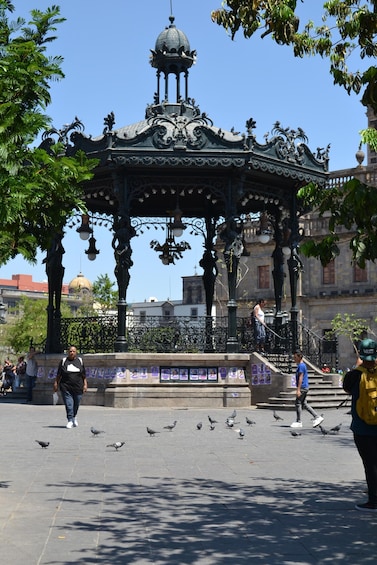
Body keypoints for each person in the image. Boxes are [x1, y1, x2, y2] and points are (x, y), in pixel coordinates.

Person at [343, 338, 377, 512]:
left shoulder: (354, 375)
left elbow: (347, 389)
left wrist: (358, 367)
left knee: (370, 465)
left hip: (362, 427)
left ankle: (373, 501)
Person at [53, 346, 87, 429]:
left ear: (76, 352)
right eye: (70, 351)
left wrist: (85, 384)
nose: (72, 353)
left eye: (73, 351)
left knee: (76, 404)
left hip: (78, 387)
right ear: (68, 352)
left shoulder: (80, 361)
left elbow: (83, 375)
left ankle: (74, 417)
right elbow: (59, 374)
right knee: (69, 404)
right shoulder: (64, 361)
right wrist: (56, 383)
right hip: (66, 386)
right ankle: (70, 420)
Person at [290, 350, 324, 429]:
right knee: (304, 403)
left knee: (298, 403)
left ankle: (299, 421)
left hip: (302, 387)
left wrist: (298, 389)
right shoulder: (302, 365)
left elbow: (301, 377)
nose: (294, 359)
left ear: (299, 357)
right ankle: (316, 416)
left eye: (295, 357)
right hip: (305, 387)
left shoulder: (301, 366)